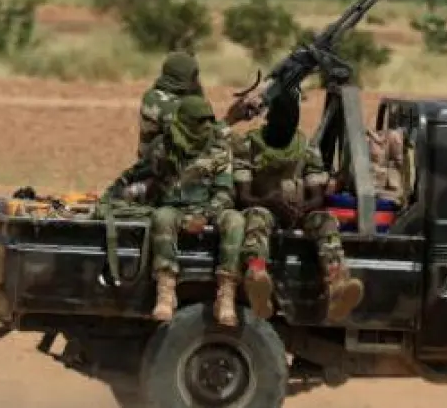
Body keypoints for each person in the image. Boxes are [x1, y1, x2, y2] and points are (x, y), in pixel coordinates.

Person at [105, 94, 245, 327]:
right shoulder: (164, 146)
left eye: (209, 120)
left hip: (208, 209)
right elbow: (141, 173)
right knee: (162, 217)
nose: (206, 126)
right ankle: (166, 292)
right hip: (174, 208)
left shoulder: (219, 148)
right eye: (200, 121)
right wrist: (119, 193)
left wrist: (206, 215)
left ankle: (226, 294)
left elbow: (225, 193)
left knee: (236, 221)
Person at [232, 92, 365, 322]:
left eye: (290, 124)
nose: (285, 128)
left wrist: (303, 208)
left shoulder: (305, 147)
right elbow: (244, 196)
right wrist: (269, 201)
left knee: (326, 220)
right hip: (264, 207)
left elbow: (317, 195)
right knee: (256, 218)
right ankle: (256, 276)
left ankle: (337, 283)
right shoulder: (249, 144)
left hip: (298, 210)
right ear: (269, 120)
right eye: (281, 122)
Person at [137, 51, 205, 160]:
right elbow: (207, 136)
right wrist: (230, 119)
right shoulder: (169, 106)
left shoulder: (152, 95)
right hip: (160, 172)